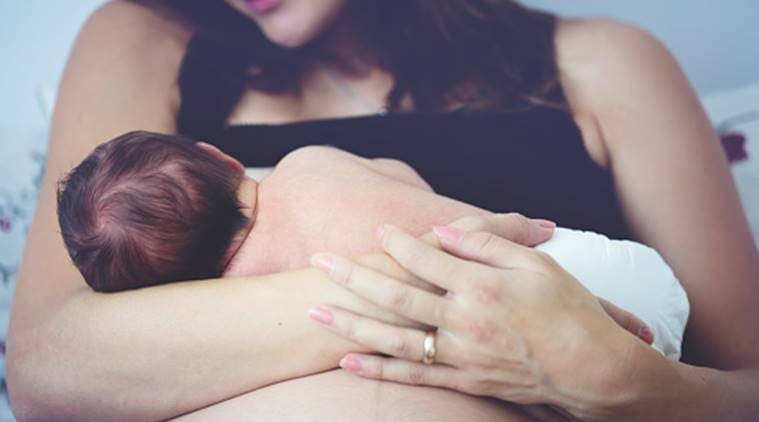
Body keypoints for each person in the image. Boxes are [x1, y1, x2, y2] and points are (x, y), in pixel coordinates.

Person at [7, 0, 758, 420]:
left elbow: (745, 387)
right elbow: (50, 369)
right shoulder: (141, 39)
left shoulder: (605, 61)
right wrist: (447, 302)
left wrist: (623, 384)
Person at [57, 131, 686, 359]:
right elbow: (403, 177)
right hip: (581, 258)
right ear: (221, 156)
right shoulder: (307, 162)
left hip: (530, 341)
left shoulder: (247, 296)